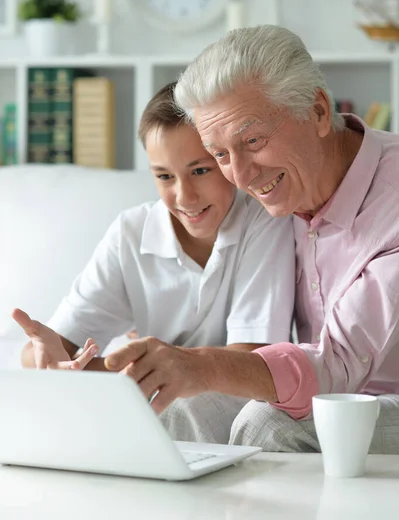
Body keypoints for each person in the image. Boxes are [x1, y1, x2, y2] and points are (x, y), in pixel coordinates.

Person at [159, 24, 399, 453]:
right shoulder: (280, 191)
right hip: (325, 388)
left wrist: (201, 364)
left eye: (253, 140)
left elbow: (337, 364)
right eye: (219, 154)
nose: (242, 175)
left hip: (383, 395)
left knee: (268, 424)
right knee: (179, 409)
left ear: (319, 112)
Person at [14, 80, 295, 441]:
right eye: (164, 176)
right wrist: (50, 357)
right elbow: (53, 349)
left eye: (200, 170)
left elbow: (250, 358)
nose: (185, 197)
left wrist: (98, 371)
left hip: (233, 397)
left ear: (226, 159)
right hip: (151, 402)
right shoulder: (131, 232)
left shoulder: (263, 218)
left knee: (181, 409)